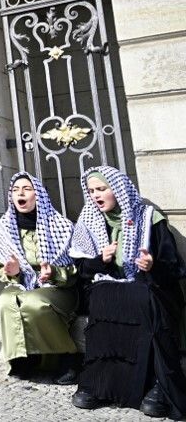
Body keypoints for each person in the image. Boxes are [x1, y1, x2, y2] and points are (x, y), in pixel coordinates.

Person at [69, 166, 186, 418]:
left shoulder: (148, 219)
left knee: (143, 299)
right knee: (103, 296)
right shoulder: (89, 221)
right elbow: (81, 270)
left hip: (153, 287)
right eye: (91, 191)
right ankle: (100, 383)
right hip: (111, 287)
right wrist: (101, 260)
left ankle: (157, 385)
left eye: (101, 189)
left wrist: (151, 265)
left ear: (118, 190)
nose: (96, 196)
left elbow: (175, 266)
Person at [0, 172, 79, 383]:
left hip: (58, 286)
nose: (21, 193)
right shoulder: (4, 229)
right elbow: (1, 268)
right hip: (22, 283)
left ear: (39, 196)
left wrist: (54, 272)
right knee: (4, 301)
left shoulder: (61, 227)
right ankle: (21, 360)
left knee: (34, 303)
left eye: (27, 189)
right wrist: (14, 272)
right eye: (16, 190)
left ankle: (66, 359)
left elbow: (77, 269)